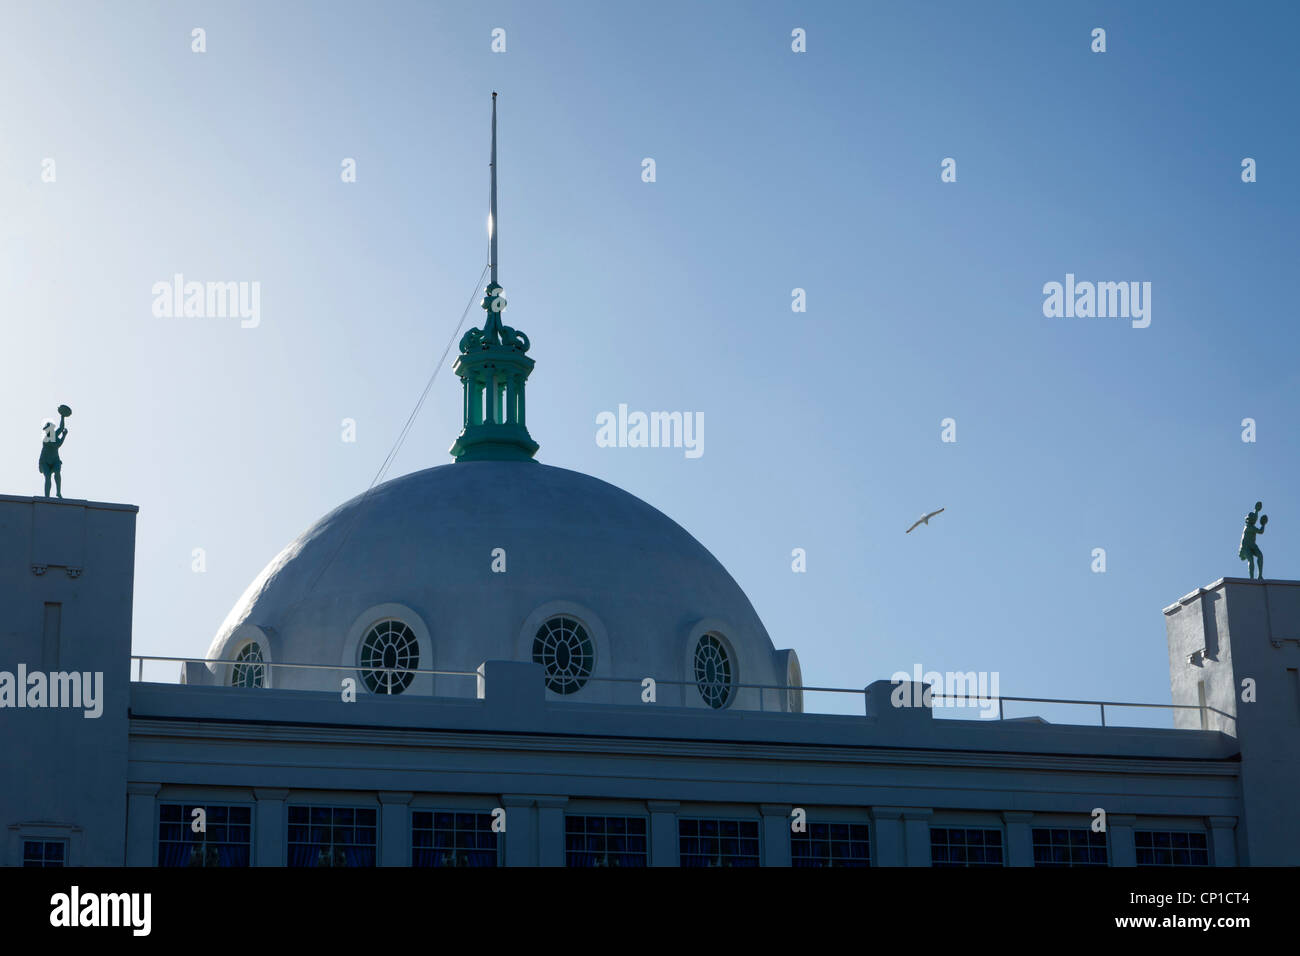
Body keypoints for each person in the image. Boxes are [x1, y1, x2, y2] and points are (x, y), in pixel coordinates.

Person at [39, 412, 68, 498]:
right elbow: (57, 445)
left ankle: (58, 492)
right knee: (48, 477)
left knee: (57, 472)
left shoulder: (54, 434)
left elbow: (61, 427)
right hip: (45, 461)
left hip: (55, 459)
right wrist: (64, 436)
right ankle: (47, 497)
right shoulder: (46, 439)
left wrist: (62, 416)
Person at [1238, 501, 1268, 580]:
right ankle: (1251, 579)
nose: (1254, 520)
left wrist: (1256, 510)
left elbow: (1255, 517)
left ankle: (1259, 576)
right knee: (1251, 560)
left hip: (1252, 545)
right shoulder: (1249, 528)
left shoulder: (1251, 524)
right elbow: (1261, 532)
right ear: (1248, 520)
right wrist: (1263, 524)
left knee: (1260, 556)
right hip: (1246, 547)